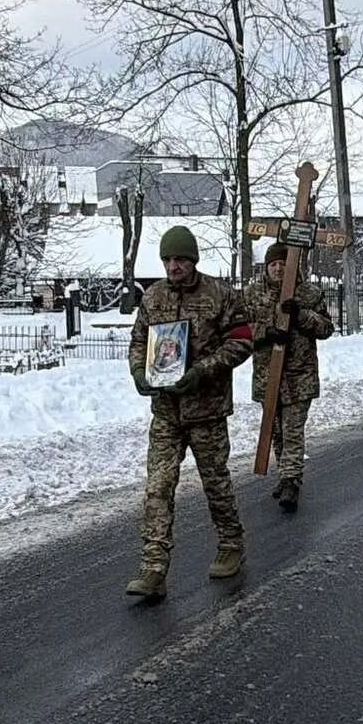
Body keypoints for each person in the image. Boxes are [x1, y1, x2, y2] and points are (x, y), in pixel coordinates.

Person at [125, 226, 254, 600]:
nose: (173, 265)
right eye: (167, 259)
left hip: (207, 409)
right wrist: (138, 370)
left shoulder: (220, 295)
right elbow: (139, 340)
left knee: (215, 482)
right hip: (166, 410)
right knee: (158, 487)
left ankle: (231, 543)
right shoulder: (153, 297)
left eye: (180, 259)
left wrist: (203, 370)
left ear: (193, 259)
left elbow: (242, 341)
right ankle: (153, 569)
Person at [244, 241, 334, 514]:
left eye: (283, 264)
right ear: (266, 267)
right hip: (267, 375)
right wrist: (265, 331)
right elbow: (238, 328)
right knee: (276, 431)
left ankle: (291, 480)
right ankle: (285, 473)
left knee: (293, 430)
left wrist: (301, 316)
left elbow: (326, 327)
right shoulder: (252, 294)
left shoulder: (309, 293)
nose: (278, 269)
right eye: (273, 264)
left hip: (299, 376)